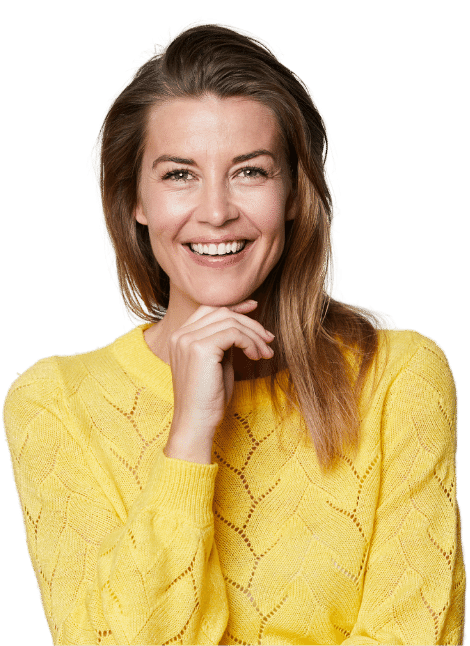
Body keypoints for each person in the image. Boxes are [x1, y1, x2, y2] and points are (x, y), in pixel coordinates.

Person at [2, 18, 467, 646]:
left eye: (250, 172)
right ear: (136, 201)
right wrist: (190, 435)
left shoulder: (398, 378)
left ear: (294, 193)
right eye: (179, 175)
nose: (217, 211)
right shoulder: (53, 402)